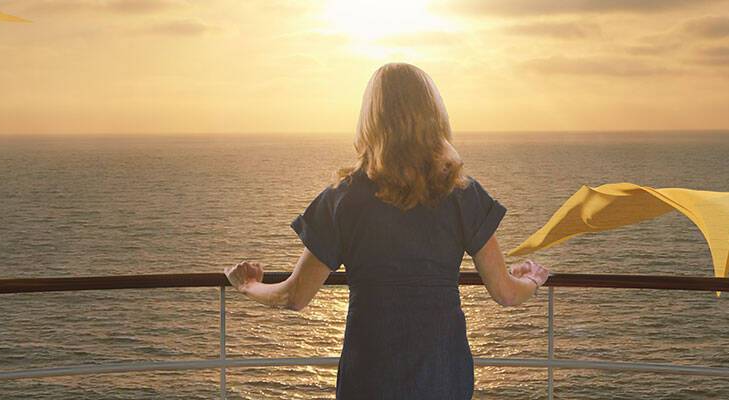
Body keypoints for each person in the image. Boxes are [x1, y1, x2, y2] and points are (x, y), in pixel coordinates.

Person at [223, 63, 552, 399]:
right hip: (442, 374)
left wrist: (249, 285)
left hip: (370, 376)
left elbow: (294, 296)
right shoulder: (461, 194)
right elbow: (506, 293)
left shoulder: (343, 198)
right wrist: (532, 279)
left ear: (371, 121)